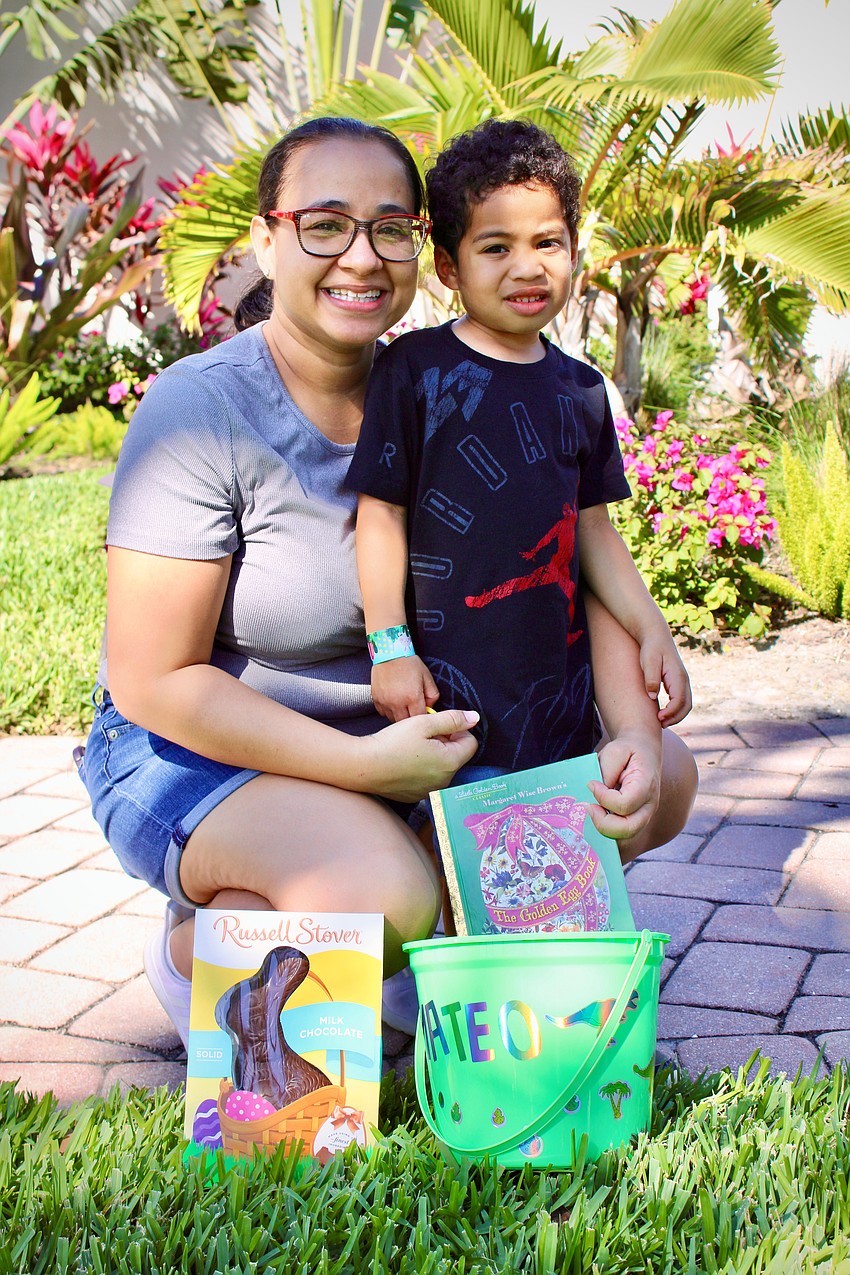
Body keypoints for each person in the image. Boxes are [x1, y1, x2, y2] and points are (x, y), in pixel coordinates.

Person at [79, 117, 693, 1048]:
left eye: (390, 228)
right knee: (384, 893)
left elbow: (567, 551)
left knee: (659, 778)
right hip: (201, 747)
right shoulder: (202, 411)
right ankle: (196, 949)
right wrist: (367, 768)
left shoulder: (449, 382)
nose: (361, 256)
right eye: (325, 224)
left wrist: (637, 710)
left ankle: (394, 955)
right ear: (266, 240)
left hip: (400, 745)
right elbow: (153, 680)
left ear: (421, 250)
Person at [347, 119, 696, 842]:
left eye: (547, 243)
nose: (527, 267)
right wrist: (390, 645)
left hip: (558, 701)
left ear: (573, 250)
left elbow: (593, 532)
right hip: (450, 707)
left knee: (566, 853)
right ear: (449, 267)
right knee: (459, 857)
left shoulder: (582, 390)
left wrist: (650, 625)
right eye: (496, 247)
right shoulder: (415, 372)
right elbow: (381, 515)